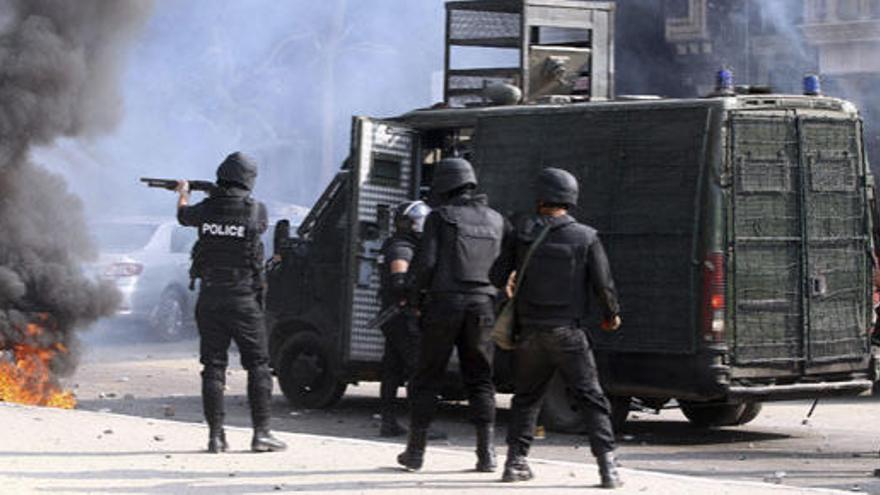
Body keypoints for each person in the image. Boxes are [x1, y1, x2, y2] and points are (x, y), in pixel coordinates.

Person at [491, 167, 623, 488]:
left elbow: (496, 275)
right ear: (571, 199)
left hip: (530, 334)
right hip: (568, 333)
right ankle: (608, 469)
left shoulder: (521, 233)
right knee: (591, 397)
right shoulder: (586, 237)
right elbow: (603, 286)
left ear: (540, 198)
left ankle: (515, 463)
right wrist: (611, 315)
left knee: (526, 399)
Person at [397, 157, 506, 472]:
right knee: (481, 381)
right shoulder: (497, 220)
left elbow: (426, 264)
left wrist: (412, 298)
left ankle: (415, 453)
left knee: (427, 377)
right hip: (483, 307)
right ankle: (487, 455)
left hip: (444, 306)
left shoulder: (440, 218)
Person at [176, 151, 287, 454]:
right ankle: (261, 434)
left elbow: (183, 216)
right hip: (244, 300)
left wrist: (183, 193)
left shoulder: (206, 208)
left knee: (213, 366)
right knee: (258, 366)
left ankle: (215, 437)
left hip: (210, 298)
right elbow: (255, 230)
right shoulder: (256, 211)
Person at [377, 200, 431, 437]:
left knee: (391, 368)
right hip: (403, 317)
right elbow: (399, 280)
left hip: (393, 317)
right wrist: (415, 302)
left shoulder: (397, 243)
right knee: (418, 370)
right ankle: (421, 427)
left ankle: (388, 422)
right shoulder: (402, 247)